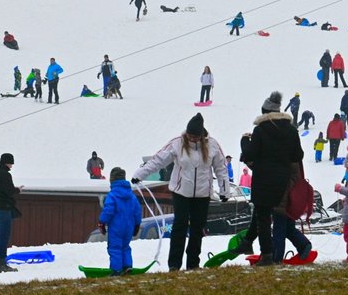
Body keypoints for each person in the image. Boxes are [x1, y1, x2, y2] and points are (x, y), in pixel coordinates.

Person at [132, 113, 230, 271]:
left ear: (201, 135)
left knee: (198, 229)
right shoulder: (177, 143)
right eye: (190, 136)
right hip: (181, 193)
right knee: (180, 227)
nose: (192, 139)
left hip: (202, 195)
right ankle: (174, 265)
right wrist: (139, 174)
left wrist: (225, 191)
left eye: (195, 137)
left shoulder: (212, 145)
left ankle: (193, 264)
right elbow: (158, 160)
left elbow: (221, 169)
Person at [239, 92, 313, 266]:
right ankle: (279, 251)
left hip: (263, 180)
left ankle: (267, 255)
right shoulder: (291, 130)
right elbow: (298, 155)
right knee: (282, 219)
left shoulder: (260, 130)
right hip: (284, 181)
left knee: (263, 218)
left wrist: (245, 141)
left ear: (265, 112)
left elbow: (249, 154)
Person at [98, 167, 141, 275]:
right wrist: (137, 225)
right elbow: (137, 211)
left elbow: (108, 210)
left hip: (116, 227)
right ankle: (127, 266)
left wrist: (102, 222)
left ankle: (116, 270)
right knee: (125, 247)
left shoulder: (112, 195)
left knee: (115, 248)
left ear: (112, 180)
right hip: (129, 227)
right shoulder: (132, 196)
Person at [0, 152, 22, 272]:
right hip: (4, 209)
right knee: (3, 237)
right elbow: (9, 191)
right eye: (11, 163)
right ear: (7, 162)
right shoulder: (5, 175)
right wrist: (17, 190)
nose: (11, 166)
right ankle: (2, 263)